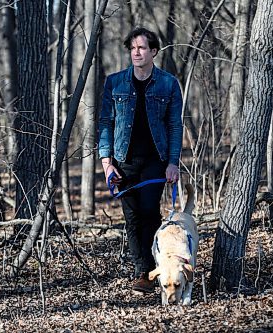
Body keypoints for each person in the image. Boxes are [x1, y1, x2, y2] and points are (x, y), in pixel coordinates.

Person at [98, 27, 183, 294]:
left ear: (153, 52)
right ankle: (143, 273)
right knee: (132, 216)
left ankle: (158, 266)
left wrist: (173, 162)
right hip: (123, 161)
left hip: (156, 160)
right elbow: (105, 123)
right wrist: (106, 162)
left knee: (149, 210)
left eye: (142, 48)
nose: (136, 53)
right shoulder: (115, 83)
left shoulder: (168, 83)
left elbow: (174, 126)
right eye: (133, 48)